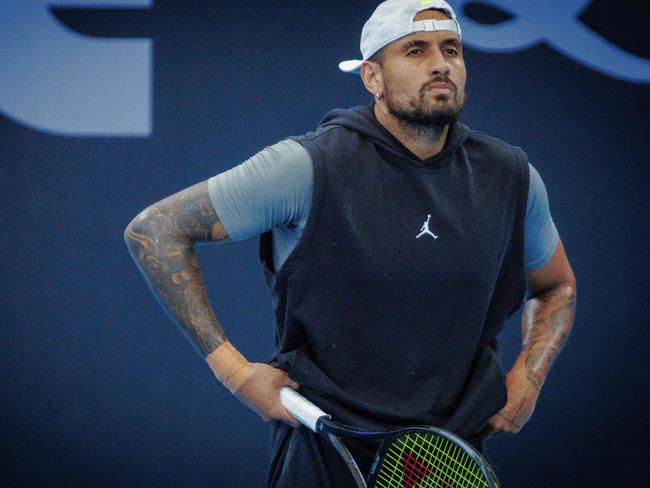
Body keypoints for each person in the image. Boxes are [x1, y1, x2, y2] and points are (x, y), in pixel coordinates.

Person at [124, 0, 577, 486]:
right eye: (415, 51)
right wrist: (235, 373)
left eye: (451, 49)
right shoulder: (306, 167)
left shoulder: (512, 178)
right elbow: (155, 228)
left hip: (450, 460)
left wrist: (530, 374)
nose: (441, 63)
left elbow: (557, 287)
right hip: (325, 456)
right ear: (372, 78)